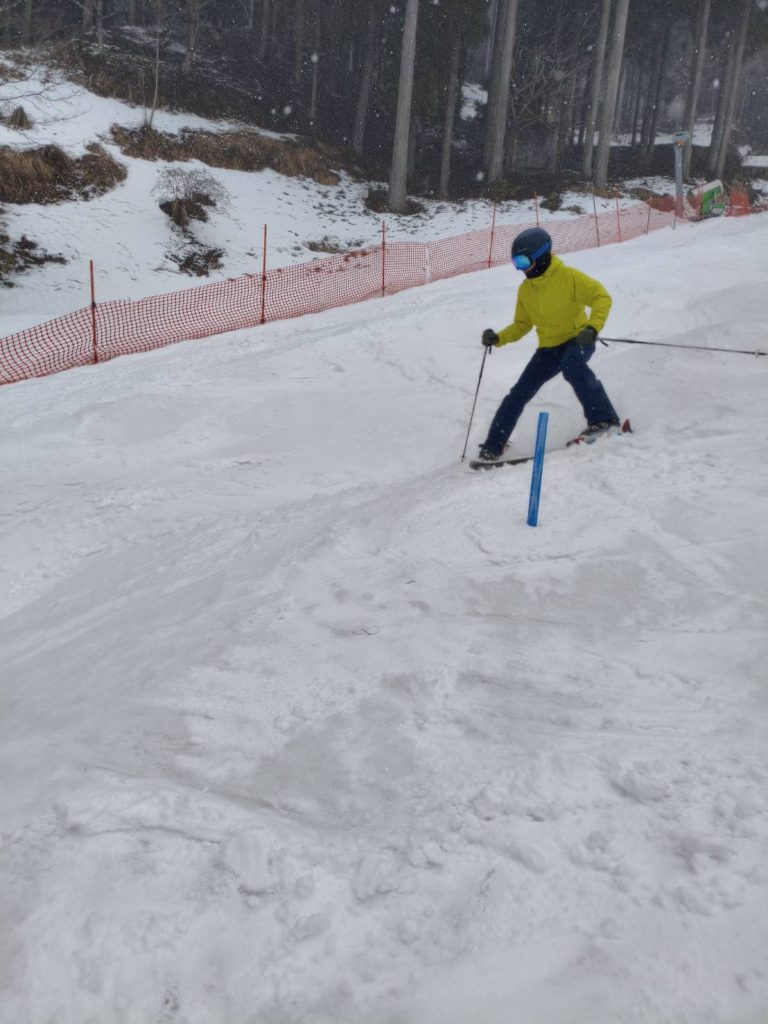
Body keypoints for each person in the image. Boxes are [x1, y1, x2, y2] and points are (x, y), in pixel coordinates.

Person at [477, 227, 620, 462]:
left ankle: (604, 419)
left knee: (572, 365)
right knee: (518, 393)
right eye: (516, 263)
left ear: (541, 255)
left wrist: (592, 327)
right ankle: (493, 446)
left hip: (578, 339)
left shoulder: (569, 277)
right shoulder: (526, 290)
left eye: (524, 261)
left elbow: (600, 297)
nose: (520, 269)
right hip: (548, 349)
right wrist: (498, 338)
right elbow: (522, 324)